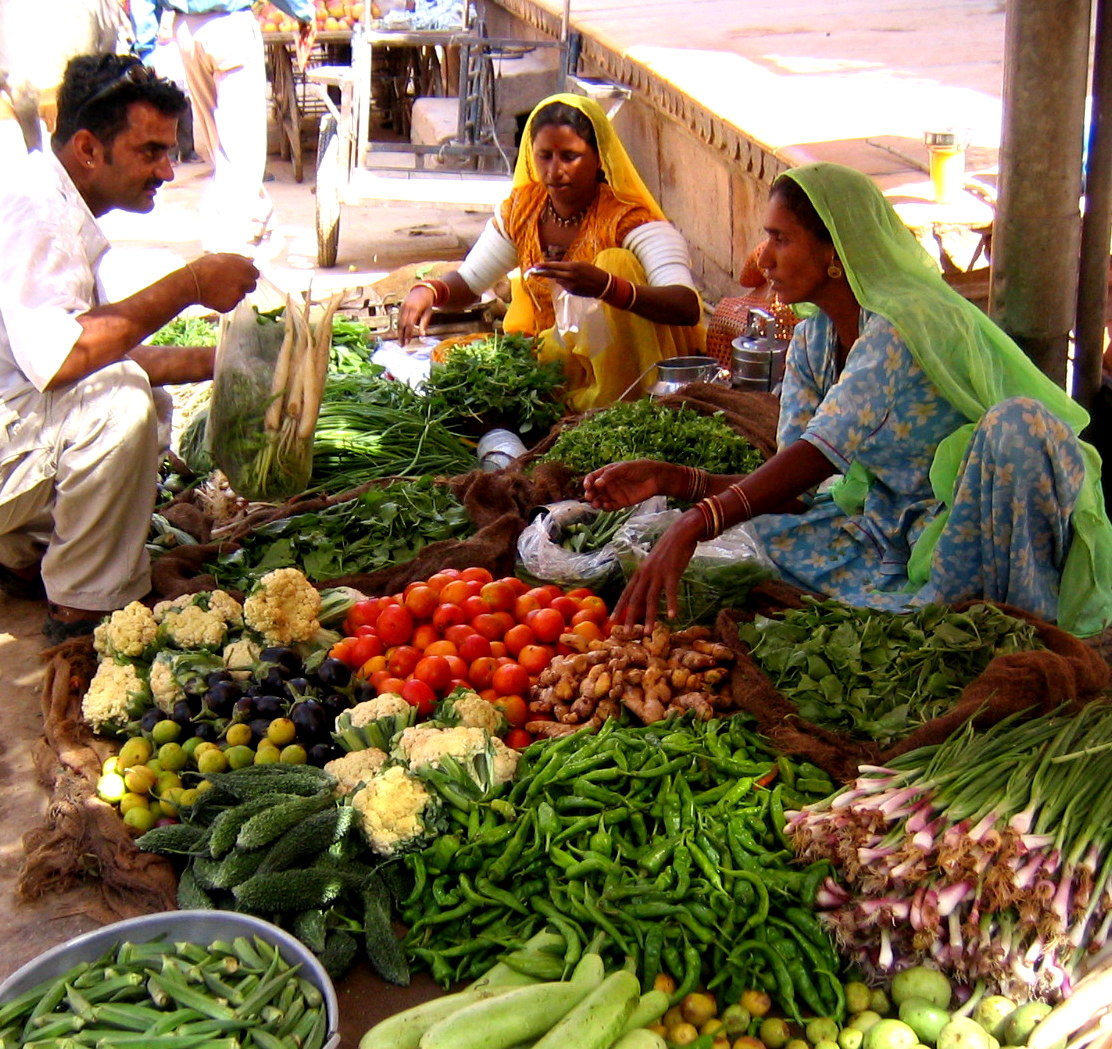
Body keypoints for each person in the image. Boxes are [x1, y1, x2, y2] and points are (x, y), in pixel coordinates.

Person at [585, 162, 1112, 638]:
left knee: (1016, 425)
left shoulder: (901, 324)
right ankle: (917, 598)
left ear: (834, 252)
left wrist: (697, 520)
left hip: (974, 520)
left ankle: (1019, 625)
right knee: (769, 534)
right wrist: (676, 481)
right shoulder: (814, 341)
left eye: (780, 240)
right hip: (892, 524)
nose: (763, 257)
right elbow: (796, 488)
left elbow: (819, 451)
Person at [0, 52, 259, 641]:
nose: (169, 171)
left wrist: (227, 361)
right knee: (121, 404)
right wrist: (190, 284)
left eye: (170, 151)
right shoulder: (36, 210)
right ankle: (83, 607)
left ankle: (22, 552)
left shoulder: (54, 199)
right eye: (152, 152)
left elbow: (92, 349)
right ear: (89, 149)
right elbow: (71, 357)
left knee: (129, 389)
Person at [397, 93, 705, 411]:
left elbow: (686, 306)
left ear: (599, 158)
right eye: (545, 156)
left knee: (617, 262)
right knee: (452, 362)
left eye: (569, 156)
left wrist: (609, 288)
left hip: (624, 370)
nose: (554, 171)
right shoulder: (524, 209)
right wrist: (430, 290)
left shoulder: (628, 221)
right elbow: (470, 282)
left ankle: (614, 407)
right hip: (552, 362)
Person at [163, 0, 316, 252]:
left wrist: (147, 43)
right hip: (230, 28)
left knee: (217, 136)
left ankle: (257, 216)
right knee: (242, 142)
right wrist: (303, 12)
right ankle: (226, 237)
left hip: (187, 29)